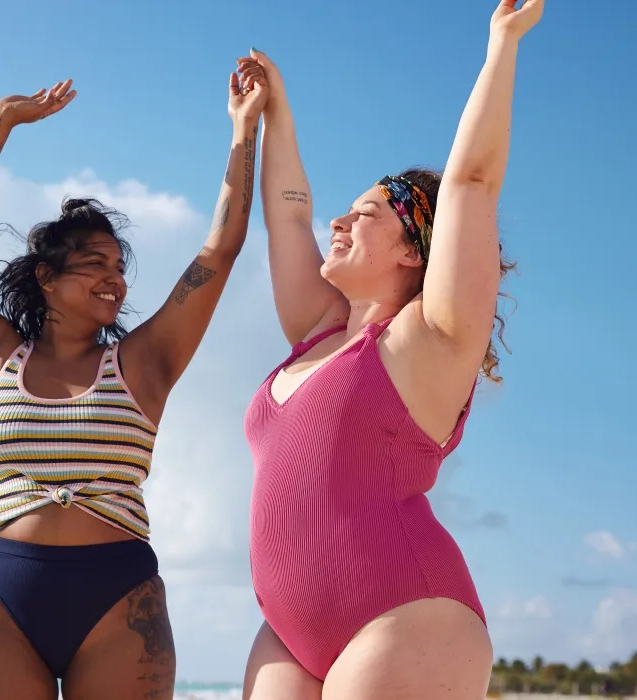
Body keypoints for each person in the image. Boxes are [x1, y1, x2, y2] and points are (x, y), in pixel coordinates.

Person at [0, 68, 267, 700]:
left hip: (118, 599)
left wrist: (244, 129)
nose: (114, 278)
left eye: (119, 266)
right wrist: (2, 120)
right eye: (94, 264)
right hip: (6, 593)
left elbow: (219, 251)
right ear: (47, 279)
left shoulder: (143, 364)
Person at [238, 1, 543, 698]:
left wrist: (502, 47)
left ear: (413, 249)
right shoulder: (317, 329)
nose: (338, 221)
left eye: (366, 213)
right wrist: (274, 112)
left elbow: (471, 182)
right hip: (287, 630)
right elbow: (287, 210)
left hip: (407, 618)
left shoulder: (430, 341)